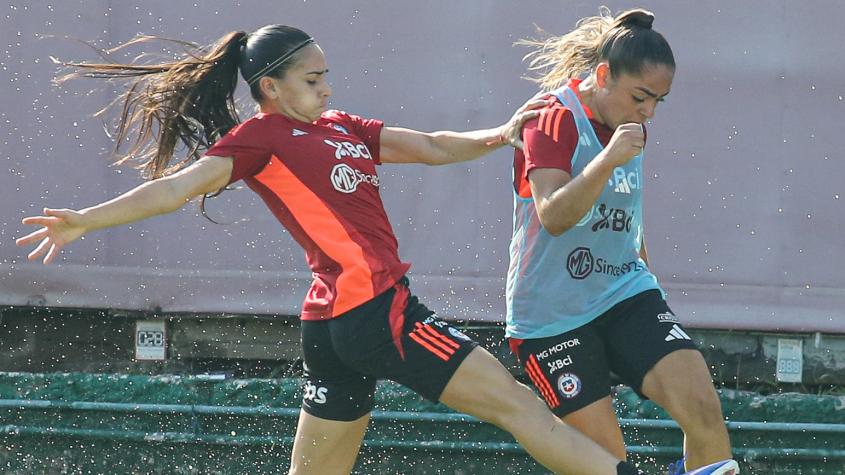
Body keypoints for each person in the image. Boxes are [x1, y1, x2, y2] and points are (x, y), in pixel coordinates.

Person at [16, 25, 648, 475]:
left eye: (326, 76)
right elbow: (175, 190)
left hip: (334, 323)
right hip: (379, 313)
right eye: (311, 79)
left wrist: (502, 134)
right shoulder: (260, 137)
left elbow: (428, 145)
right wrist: (84, 221)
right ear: (270, 86)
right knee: (521, 408)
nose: (324, 87)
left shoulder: (341, 126)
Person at [506, 8, 739, 475]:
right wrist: (608, 159)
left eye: (659, 101)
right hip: (552, 317)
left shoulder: (630, 126)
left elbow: (625, 217)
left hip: (623, 292)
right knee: (607, 466)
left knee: (703, 410)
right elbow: (553, 216)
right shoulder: (552, 118)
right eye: (641, 97)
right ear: (603, 75)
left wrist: (650, 289)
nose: (648, 112)